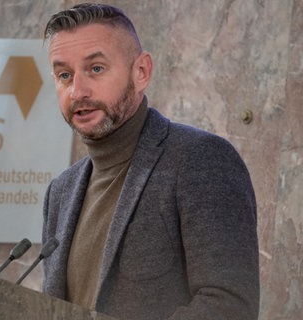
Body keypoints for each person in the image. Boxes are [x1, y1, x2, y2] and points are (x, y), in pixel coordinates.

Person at [41, 3, 260, 320]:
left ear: (141, 72)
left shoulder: (200, 159)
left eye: (96, 69)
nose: (77, 91)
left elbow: (229, 305)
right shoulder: (59, 193)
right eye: (64, 75)